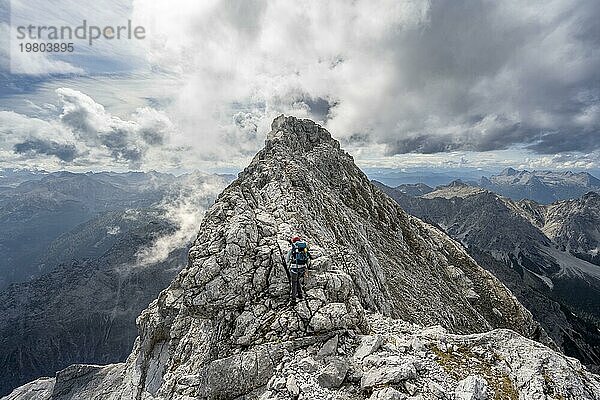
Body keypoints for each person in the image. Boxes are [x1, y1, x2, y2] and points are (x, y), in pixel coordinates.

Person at [286, 236, 311, 304]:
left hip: (295, 267)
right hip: (302, 268)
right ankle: (300, 295)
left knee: (294, 283)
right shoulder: (304, 248)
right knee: (297, 280)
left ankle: (293, 299)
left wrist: (288, 264)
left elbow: (287, 259)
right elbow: (308, 256)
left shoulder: (293, 248)